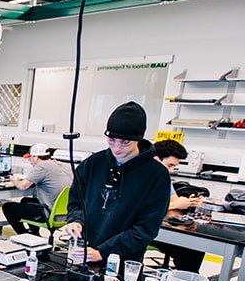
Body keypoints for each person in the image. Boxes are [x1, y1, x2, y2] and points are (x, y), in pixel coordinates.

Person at [65, 101, 172, 265]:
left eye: (125, 142)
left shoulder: (156, 175)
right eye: (112, 140)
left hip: (123, 260)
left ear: (138, 139)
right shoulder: (93, 163)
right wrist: (76, 220)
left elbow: (146, 228)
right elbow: (76, 201)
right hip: (83, 252)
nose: (117, 148)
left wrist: (104, 252)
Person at [151, 139, 206, 272]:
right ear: (156, 159)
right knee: (186, 250)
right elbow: (139, 208)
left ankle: (187, 280)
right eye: (169, 165)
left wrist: (189, 202)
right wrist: (175, 204)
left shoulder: (165, 178)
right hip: (145, 231)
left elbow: (174, 200)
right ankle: (184, 280)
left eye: (174, 166)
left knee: (197, 246)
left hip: (162, 227)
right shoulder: (140, 178)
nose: (171, 170)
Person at [1, 143, 72, 235]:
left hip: (49, 213)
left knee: (8, 207)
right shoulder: (63, 165)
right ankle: (34, 234)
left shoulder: (42, 166)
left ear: (36, 157)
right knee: (25, 200)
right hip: (65, 214)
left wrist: (14, 180)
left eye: (30, 158)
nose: (30, 161)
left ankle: (23, 236)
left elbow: (23, 186)